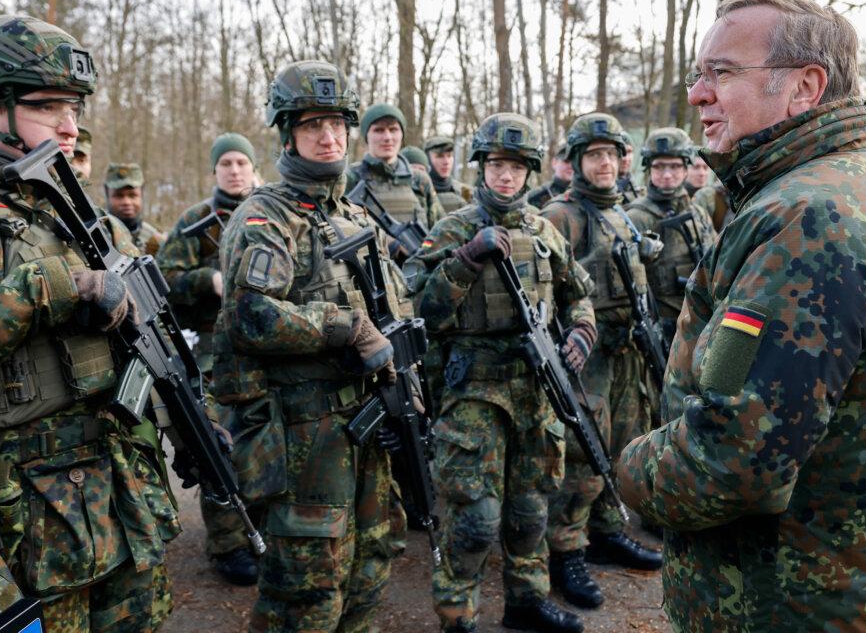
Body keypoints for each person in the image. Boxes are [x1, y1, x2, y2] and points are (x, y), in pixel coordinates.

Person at [617, 0, 866, 632]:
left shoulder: (811, 219)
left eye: (723, 72)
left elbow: (734, 461)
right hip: (822, 579)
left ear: (804, 88)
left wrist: (630, 470)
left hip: (789, 596)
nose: (699, 94)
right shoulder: (834, 183)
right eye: (698, 74)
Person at [0, 15, 179, 631]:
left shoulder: (95, 222)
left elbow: (144, 349)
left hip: (122, 501)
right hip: (14, 519)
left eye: (74, 107)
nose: (71, 126)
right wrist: (54, 284)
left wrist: (181, 414)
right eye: (47, 107)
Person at [217, 59, 410, 632]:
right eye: (311, 126)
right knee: (307, 591)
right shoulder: (265, 216)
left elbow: (393, 314)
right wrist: (343, 325)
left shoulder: (352, 215)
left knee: (372, 565)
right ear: (287, 133)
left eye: (336, 124)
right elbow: (249, 316)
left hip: (368, 426)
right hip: (305, 436)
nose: (328, 138)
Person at [405, 113, 595, 633]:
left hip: (536, 389)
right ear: (481, 167)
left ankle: (526, 600)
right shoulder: (452, 229)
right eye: (496, 165)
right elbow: (418, 308)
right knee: (473, 517)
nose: (505, 176)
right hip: (474, 391)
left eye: (515, 166)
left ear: (530, 171)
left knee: (530, 509)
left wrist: (580, 333)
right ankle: (457, 611)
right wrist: (466, 259)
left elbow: (578, 294)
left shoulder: (545, 231)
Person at [537, 113, 662, 613]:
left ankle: (607, 529)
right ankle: (564, 549)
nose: (604, 163)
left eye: (611, 154)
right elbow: (547, 289)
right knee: (583, 457)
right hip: (584, 354)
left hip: (625, 351)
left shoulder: (622, 211)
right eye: (594, 156)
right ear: (576, 163)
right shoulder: (561, 214)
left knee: (620, 445)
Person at [156, 131, 260, 586]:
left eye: (241, 162)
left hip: (267, 355)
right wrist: (207, 281)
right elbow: (164, 278)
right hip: (213, 357)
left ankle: (266, 532)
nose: (235, 171)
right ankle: (228, 544)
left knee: (268, 448)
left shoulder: (268, 213)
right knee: (220, 447)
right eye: (226, 164)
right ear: (215, 170)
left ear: (254, 168)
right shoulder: (196, 220)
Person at [626, 127, 717, 429]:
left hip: (700, 331)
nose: (667, 175)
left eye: (675, 166)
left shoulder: (698, 213)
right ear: (648, 169)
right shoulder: (635, 218)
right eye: (659, 167)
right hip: (657, 335)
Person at [345, 103, 444, 253]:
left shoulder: (419, 179)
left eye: (393, 129)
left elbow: (440, 230)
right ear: (367, 136)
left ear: (401, 134)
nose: (387, 137)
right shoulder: (350, 178)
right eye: (379, 130)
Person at [104, 162, 166, 256]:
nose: (126, 202)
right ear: (107, 195)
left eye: (132, 195)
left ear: (142, 194)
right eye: (119, 196)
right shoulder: (99, 237)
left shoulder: (155, 242)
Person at [425, 135, 473, 214]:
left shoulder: (466, 193)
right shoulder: (419, 191)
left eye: (449, 156)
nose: (446, 162)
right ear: (427, 159)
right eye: (440, 156)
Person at [526, 143, 573, 209]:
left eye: (575, 162)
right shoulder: (534, 197)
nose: (571, 166)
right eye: (566, 161)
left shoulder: (586, 194)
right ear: (554, 163)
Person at [614, 133, 645, 205]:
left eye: (629, 152)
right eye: (620, 152)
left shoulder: (641, 193)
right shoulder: (602, 194)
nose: (625, 158)